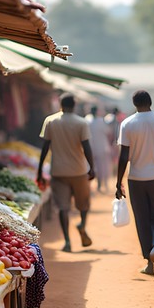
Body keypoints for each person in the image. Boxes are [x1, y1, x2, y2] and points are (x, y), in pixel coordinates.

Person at [115, 90, 154, 276]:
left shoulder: (127, 124)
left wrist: (118, 182)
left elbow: (123, 156)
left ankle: (149, 263)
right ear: (150, 102)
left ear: (134, 104)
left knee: (142, 220)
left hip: (136, 179)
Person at [37, 94, 96, 252]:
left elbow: (45, 148)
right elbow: (87, 147)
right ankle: (82, 225)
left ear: (60, 105)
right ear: (74, 105)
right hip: (79, 171)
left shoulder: (50, 121)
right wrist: (92, 167)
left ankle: (67, 242)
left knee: (63, 207)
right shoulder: (81, 122)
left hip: (58, 171)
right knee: (83, 204)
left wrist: (39, 170)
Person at [86, 106, 114, 193]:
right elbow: (109, 133)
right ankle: (103, 185)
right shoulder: (101, 121)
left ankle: (99, 185)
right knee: (103, 167)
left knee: (94, 167)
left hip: (92, 148)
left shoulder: (87, 120)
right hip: (102, 148)